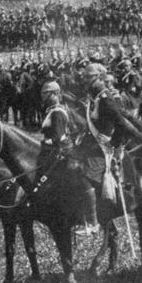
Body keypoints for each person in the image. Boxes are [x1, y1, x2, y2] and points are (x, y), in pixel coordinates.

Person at [38, 80, 98, 236]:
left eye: (46, 94)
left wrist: (46, 141)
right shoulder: (52, 110)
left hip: (64, 152)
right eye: (43, 93)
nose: (44, 96)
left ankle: (91, 221)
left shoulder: (57, 112)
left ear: (55, 94)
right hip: (57, 150)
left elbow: (57, 137)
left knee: (74, 178)